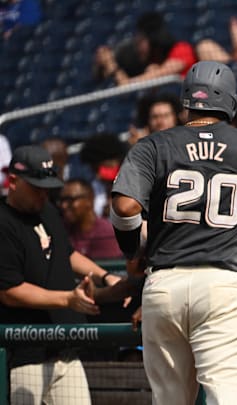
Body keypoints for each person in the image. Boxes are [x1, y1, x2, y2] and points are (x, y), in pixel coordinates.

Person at [109, 61, 237, 404]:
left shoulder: (154, 145)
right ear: (230, 102)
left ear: (186, 101)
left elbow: (125, 208)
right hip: (220, 284)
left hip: (163, 285)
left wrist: (133, 251)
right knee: (226, 397)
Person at [0, 145, 130, 405]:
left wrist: (105, 276)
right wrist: (68, 299)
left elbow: (67, 254)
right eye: (36, 187)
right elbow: (10, 292)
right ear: (13, 182)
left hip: (65, 349)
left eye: (47, 187)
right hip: (25, 353)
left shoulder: (47, 211)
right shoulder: (3, 222)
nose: (43, 194)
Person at [59, 178, 123, 260]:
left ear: (89, 199)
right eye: (62, 200)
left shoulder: (106, 233)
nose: (63, 206)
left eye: (70, 200)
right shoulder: (62, 230)